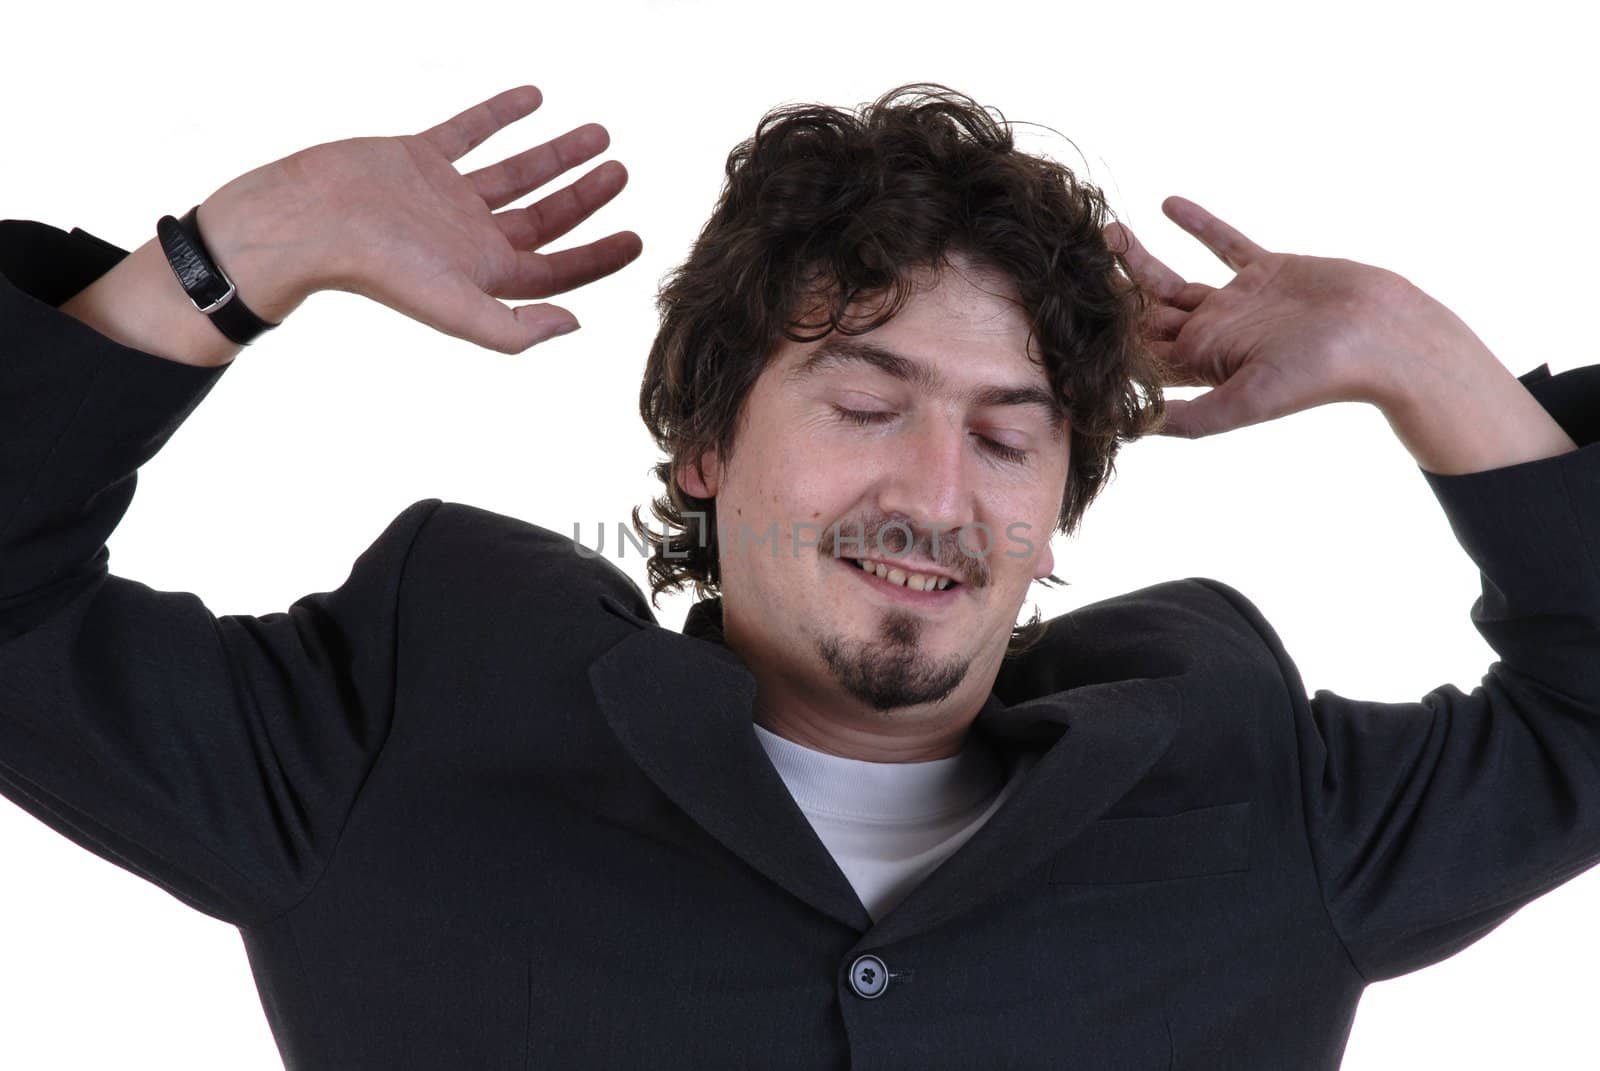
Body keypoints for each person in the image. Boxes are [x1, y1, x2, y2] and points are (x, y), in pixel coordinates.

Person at [1, 81, 1595, 1070]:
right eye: (864, 406)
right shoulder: (406, 721)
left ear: (1061, 502)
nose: (932, 493)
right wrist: (243, 249)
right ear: (704, 443)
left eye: (1007, 436)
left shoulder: (1251, 779)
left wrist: (1430, 368)